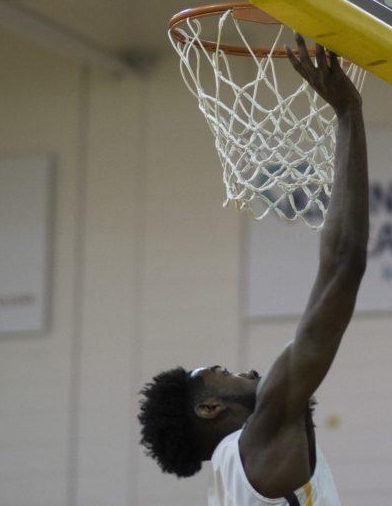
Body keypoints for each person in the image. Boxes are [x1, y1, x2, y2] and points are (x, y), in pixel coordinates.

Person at [138, 35, 368, 505]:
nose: (244, 371)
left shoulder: (234, 473)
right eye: (223, 371)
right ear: (208, 407)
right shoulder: (256, 445)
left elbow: (345, 264)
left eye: (227, 370)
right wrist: (347, 113)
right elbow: (343, 261)